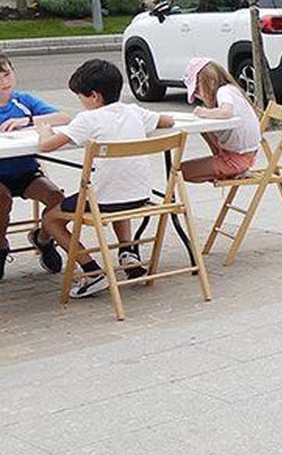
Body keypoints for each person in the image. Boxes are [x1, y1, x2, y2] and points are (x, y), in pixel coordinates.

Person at [35, 59, 175, 299]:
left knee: (50, 220)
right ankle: (128, 252)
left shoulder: (87, 120)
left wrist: (44, 130)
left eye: (80, 97)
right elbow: (168, 121)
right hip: (140, 195)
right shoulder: (133, 111)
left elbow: (46, 146)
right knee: (117, 184)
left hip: (104, 200)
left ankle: (92, 271)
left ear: (94, 97)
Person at [0, 52, 65, 280]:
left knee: (57, 197)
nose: (3, 82)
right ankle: (1, 245)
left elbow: (63, 117)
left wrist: (27, 121)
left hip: (26, 171)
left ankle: (44, 238)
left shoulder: (24, 101)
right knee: (2, 199)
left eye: (7, 74)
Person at [178, 58, 262, 182]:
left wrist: (204, 112)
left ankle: (222, 169)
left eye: (197, 90)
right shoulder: (233, 90)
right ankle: (218, 163)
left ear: (210, 81)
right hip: (245, 157)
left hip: (236, 161)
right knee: (205, 130)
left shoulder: (223, 91)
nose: (198, 95)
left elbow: (226, 112)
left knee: (178, 172)